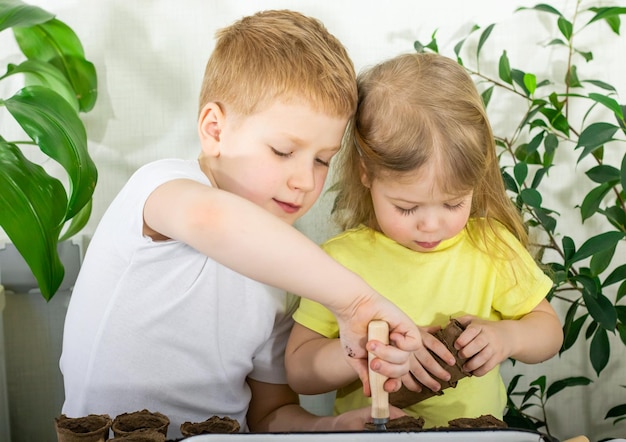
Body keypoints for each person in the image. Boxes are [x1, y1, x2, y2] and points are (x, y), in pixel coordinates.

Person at [59, 11, 432, 437]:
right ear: (215, 131)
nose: (304, 180)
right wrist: (356, 303)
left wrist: (333, 425)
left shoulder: (285, 269)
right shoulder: (161, 187)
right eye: (282, 150)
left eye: (323, 160)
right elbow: (214, 218)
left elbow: (269, 414)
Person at [285, 52, 564, 428]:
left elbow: (549, 332)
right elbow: (300, 370)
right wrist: (373, 351)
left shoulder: (490, 246)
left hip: (478, 436)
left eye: (453, 203)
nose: (431, 226)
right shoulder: (339, 261)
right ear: (366, 173)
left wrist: (509, 336)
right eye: (407, 208)